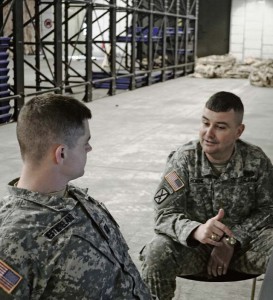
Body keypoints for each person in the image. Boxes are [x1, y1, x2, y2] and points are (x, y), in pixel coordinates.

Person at [0, 94, 153, 300]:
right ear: (61, 154)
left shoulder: (72, 197)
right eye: (85, 143)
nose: (89, 148)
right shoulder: (13, 240)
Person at [140, 91, 273, 300]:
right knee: (156, 253)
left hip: (244, 249)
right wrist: (196, 230)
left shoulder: (256, 160)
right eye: (205, 123)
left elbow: (268, 210)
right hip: (195, 249)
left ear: (239, 131)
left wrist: (232, 239)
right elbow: (164, 214)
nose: (208, 133)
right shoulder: (183, 160)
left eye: (220, 127)